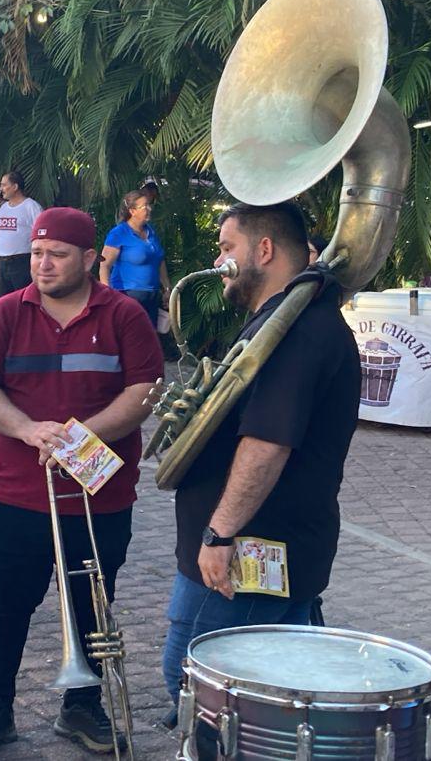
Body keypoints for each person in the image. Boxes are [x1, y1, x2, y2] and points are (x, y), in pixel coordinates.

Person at [0, 207, 161, 757]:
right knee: (4, 603)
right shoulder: (6, 312)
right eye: (37, 254)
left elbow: (146, 392)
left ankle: (81, 707)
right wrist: (27, 430)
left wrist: (78, 439)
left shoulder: (123, 315)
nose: (43, 265)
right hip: (17, 493)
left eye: (57, 255)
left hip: (101, 496)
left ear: (90, 259)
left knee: (95, 603)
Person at [157, 202, 359, 728]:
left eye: (227, 248)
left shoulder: (294, 331)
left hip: (245, 555)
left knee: (200, 691)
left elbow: (267, 443)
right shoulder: (287, 320)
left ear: (263, 250)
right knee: (282, 700)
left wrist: (219, 534)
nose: (219, 259)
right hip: (278, 547)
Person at [99, 190, 171, 323]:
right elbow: (104, 265)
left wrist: (167, 288)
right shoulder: (119, 233)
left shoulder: (151, 231)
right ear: (132, 211)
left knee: (150, 338)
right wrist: (107, 294)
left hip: (152, 296)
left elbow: (159, 261)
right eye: (145, 206)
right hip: (126, 296)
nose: (149, 209)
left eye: (149, 205)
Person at [0, 172, 43, 297]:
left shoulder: (31, 206)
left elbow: (42, 234)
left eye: (4, 185)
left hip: (22, 261)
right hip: (3, 263)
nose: (1, 189)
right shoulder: (4, 208)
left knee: (24, 299)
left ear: (15, 187)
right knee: (5, 302)